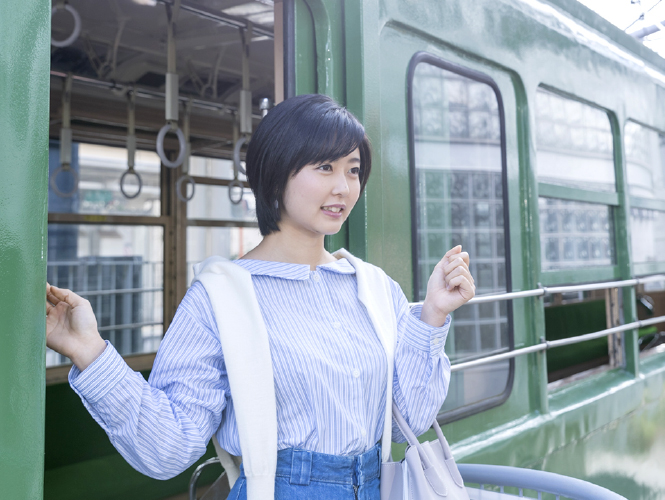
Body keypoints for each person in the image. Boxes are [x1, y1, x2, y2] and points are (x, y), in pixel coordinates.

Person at [44, 93, 476, 500]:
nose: (344, 187)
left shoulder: (376, 287)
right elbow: (169, 447)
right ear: (275, 171)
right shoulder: (219, 297)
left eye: (353, 169)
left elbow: (409, 422)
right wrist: (90, 351)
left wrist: (433, 314)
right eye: (324, 167)